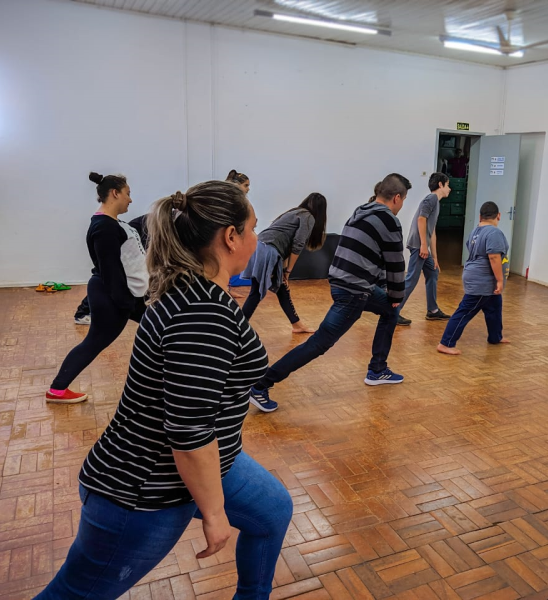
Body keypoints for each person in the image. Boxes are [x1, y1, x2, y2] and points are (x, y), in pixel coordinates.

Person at [35, 180, 293, 600]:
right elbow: (189, 435)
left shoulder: (195, 291)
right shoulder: (203, 314)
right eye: (252, 229)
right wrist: (213, 513)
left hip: (212, 460)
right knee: (76, 594)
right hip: (144, 489)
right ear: (231, 237)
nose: (256, 239)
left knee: (273, 511)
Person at [249, 174, 410, 413]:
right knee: (319, 343)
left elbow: (372, 257)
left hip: (342, 281)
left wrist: (391, 299)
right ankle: (261, 385)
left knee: (389, 311)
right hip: (354, 290)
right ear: (397, 197)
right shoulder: (389, 220)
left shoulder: (360, 211)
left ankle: (377, 369)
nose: (402, 204)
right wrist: (397, 296)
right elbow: (395, 263)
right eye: (404, 199)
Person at [46, 173, 147, 404]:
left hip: (123, 295)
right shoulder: (104, 227)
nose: (130, 200)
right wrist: (128, 304)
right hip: (114, 296)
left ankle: (57, 389)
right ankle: (57, 390)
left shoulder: (111, 224)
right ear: (115, 193)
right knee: (94, 342)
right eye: (128, 194)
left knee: (163, 328)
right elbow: (111, 271)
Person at [240, 193, 327, 333]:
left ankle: (297, 324)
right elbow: (297, 244)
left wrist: (284, 271)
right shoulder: (308, 217)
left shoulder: (294, 212)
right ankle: (239, 328)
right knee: (256, 292)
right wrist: (288, 271)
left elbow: (285, 245)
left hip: (259, 247)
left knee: (281, 288)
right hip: (269, 250)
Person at [437, 201, 510, 355]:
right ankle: (446, 343)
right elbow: (494, 257)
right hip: (481, 280)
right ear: (498, 216)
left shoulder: (475, 231)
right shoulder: (494, 233)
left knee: (494, 306)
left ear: (480, 217)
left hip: (476, 276)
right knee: (465, 310)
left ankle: (496, 336)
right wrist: (500, 280)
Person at [73, 213, 150, 325]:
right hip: (133, 238)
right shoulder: (167, 218)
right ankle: (83, 312)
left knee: (108, 276)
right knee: (108, 276)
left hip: (135, 237)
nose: (130, 200)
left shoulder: (173, 217)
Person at [397, 172, 451, 326]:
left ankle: (433, 311)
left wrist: (435, 257)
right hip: (417, 244)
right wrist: (422, 245)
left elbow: (431, 231)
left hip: (422, 245)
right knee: (412, 279)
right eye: (447, 185)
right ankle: (393, 312)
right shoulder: (432, 198)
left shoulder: (436, 202)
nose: (449, 189)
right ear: (440, 185)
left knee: (433, 271)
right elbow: (421, 219)